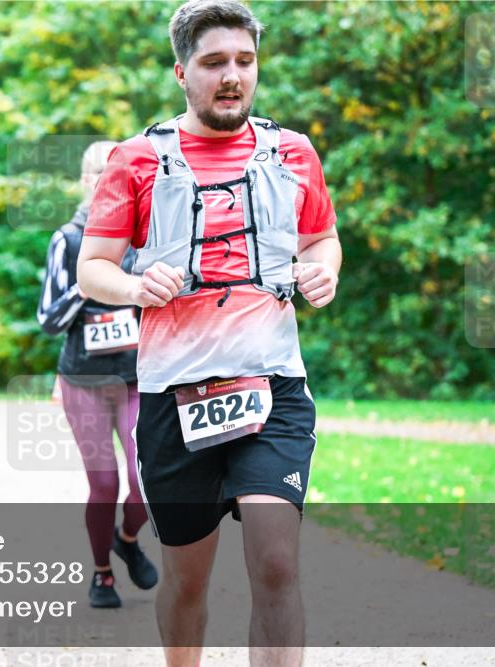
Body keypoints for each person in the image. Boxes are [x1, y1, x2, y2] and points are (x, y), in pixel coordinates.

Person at [77, 2, 341, 664]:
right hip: (174, 394)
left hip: (272, 385)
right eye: (214, 62)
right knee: (187, 579)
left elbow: (323, 240)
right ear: (180, 71)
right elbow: (92, 269)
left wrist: (322, 272)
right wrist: (136, 287)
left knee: (276, 560)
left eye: (245, 62)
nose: (233, 77)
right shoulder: (138, 159)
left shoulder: (294, 153)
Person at [37, 141, 158, 609]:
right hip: (84, 381)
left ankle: (126, 539)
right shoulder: (67, 240)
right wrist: (90, 286)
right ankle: (102, 574)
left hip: (135, 378)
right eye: (101, 177)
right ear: (87, 182)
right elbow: (48, 318)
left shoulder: (143, 236)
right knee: (104, 484)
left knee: (146, 481)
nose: (110, 186)